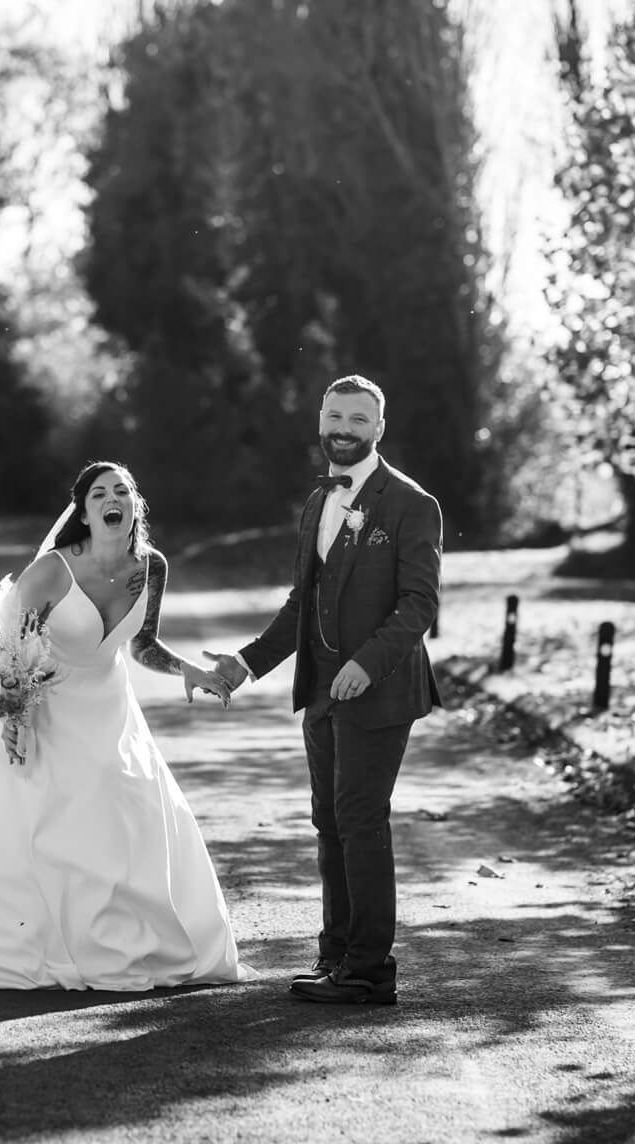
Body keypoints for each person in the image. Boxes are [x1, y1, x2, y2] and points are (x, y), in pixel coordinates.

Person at [0, 461, 253, 990]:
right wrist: (12, 715)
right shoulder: (53, 570)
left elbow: (142, 644)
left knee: (129, 814)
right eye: (99, 493)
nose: (111, 498)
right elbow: (5, 650)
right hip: (42, 708)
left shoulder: (153, 567)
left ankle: (127, 938)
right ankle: (47, 944)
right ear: (84, 510)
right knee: (51, 827)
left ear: (135, 505)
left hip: (110, 709)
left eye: (121, 490)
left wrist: (186, 668)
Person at [205, 374, 442, 1005]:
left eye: (357, 419)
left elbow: (419, 604)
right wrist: (244, 665)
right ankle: (336, 955)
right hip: (320, 691)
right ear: (320, 422)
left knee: (361, 820)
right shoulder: (316, 503)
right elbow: (299, 607)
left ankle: (368, 970)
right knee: (329, 820)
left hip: (382, 688)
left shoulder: (412, 504)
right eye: (334, 416)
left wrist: (368, 662)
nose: (343, 428)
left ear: (378, 429)